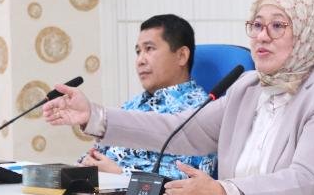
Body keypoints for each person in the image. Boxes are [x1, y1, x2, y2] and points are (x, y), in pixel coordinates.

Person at [44, 0, 314, 195]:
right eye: (256, 26)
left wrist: (224, 191)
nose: (261, 36)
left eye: (277, 26)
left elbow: (306, 180)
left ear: (308, 35)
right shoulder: (247, 86)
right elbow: (179, 131)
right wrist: (94, 116)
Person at [79, 14, 216, 179]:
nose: (140, 60)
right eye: (138, 51)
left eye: (149, 49)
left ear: (181, 56)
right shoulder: (131, 106)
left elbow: (197, 178)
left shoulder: (203, 110)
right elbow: (94, 155)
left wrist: (122, 175)